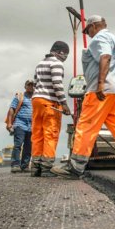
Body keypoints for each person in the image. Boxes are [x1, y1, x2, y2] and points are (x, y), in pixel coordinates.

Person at [51, 15, 115, 179]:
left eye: (88, 30)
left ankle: (76, 166)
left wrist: (100, 83)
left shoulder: (99, 39)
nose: (88, 34)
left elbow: (105, 57)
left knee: (86, 125)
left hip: (102, 90)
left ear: (94, 26)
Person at [31, 41, 71, 177]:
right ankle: (47, 167)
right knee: (50, 133)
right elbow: (57, 84)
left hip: (36, 100)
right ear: (60, 52)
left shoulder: (40, 63)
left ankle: (35, 167)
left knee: (37, 133)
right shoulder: (57, 64)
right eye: (66, 54)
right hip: (50, 102)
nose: (66, 57)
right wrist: (64, 103)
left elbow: (35, 83)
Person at [6, 80, 34, 173]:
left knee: (28, 146)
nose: (30, 87)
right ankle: (15, 165)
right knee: (18, 145)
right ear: (25, 86)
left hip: (31, 126)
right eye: (29, 85)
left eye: (32, 85)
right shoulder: (20, 96)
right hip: (20, 124)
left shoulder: (36, 98)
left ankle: (25, 166)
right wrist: (10, 123)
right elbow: (12, 109)